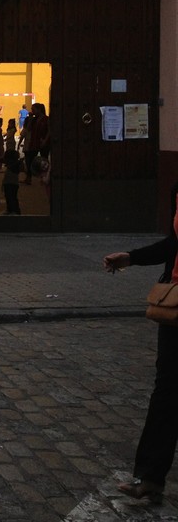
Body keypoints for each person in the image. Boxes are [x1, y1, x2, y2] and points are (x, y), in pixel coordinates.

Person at [103, 183, 178, 502]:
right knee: (166, 393)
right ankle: (151, 478)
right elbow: (172, 246)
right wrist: (131, 258)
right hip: (175, 306)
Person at [1, 149, 21, 215]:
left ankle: (14, 210)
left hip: (11, 184)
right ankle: (10, 209)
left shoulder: (13, 166)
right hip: (11, 184)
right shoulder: (13, 165)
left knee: (11, 198)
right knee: (10, 197)